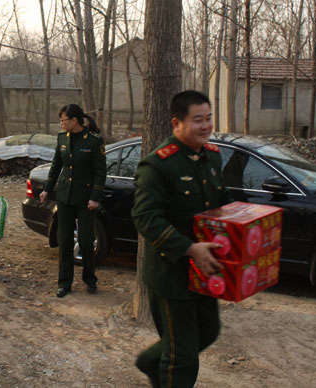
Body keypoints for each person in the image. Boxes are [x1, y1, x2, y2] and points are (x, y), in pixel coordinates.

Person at [131, 90, 233, 388]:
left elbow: (221, 200)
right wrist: (188, 248)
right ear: (177, 124)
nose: (205, 126)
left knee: (209, 330)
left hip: (204, 270)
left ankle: (150, 361)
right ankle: (163, 367)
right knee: (182, 356)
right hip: (171, 274)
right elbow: (145, 218)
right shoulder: (158, 165)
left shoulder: (211, 158)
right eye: (197, 120)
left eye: (209, 118)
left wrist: (243, 217)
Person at [39, 104, 106, 298]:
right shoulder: (62, 139)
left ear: (74, 120)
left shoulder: (94, 141)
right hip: (65, 196)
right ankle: (64, 282)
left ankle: (90, 278)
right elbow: (56, 166)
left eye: (63, 119)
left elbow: (100, 172)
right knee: (65, 240)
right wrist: (47, 190)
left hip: (86, 199)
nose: (61, 123)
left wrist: (95, 198)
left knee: (86, 241)